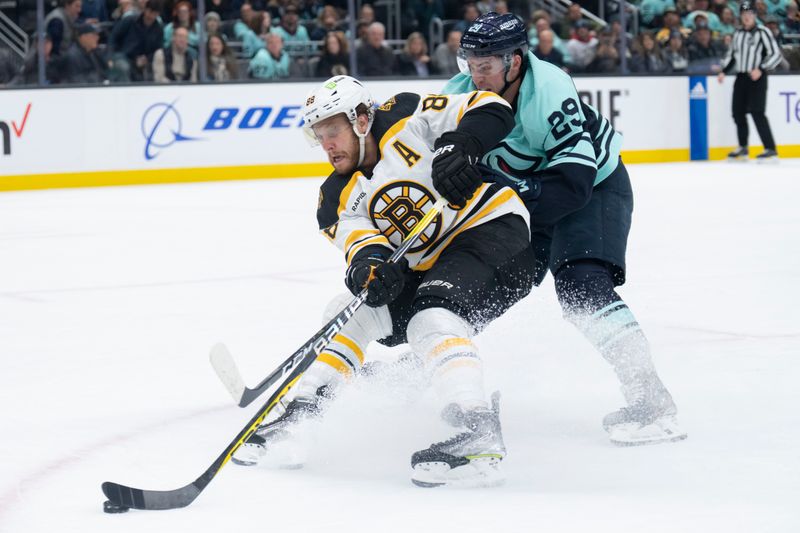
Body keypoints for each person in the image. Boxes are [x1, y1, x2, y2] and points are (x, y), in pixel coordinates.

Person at [233, 74, 536, 487]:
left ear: (360, 119)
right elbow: (362, 247)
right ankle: (303, 414)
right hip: (429, 265)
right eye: (319, 136)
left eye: (333, 132)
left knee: (432, 318)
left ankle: (476, 428)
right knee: (346, 312)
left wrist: (461, 145)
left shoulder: (406, 114)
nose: (327, 146)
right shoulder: (334, 198)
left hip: (493, 230)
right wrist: (370, 270)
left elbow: (493, 108)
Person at [443, 12, 687, 447]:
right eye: (469, 64)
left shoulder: (550, 90)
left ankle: (651, 399)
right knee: (487, 284)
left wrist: (509, 185)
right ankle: (426, 364)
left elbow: (573, 185)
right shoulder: (458, 94)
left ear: (514, 63)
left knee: (581, 285)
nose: (475, 76)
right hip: (529, 195)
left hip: (593, 186)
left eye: (486, 66)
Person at [718, 1, 782, 161]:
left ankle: (770, 148)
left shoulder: (762, 32)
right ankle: (743, 147)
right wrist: (723, 71)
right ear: (740, 16)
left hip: (757, 77)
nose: (746, 17)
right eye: (744, 15)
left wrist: (761, 68)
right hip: (741, 77)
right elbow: (733, 55)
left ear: (754, 15)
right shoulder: (738, 33)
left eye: (749, 14)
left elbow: (775, 54)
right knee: (737, 112)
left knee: (757, 112)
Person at [109, 0, 164, 81]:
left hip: (145, 60)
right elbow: (113, 37)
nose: (151, 16)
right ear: (145, 10)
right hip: (124, 55)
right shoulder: (129, 20)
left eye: (155, 14)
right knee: (123, 67)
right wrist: (111, 54)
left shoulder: (158, 29)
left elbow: (158, 50)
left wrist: (147, 58)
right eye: (150, 12)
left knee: (153, 71)